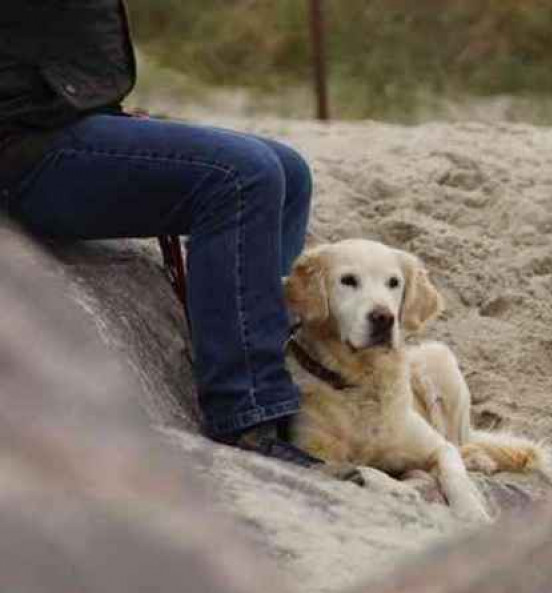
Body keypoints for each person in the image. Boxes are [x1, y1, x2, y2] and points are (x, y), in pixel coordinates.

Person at [0, 1, 322, 467]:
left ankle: (278, 375)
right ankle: (248, 414)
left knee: (289, 173)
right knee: (242, 175)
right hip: (24, 146)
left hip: (65, 113)